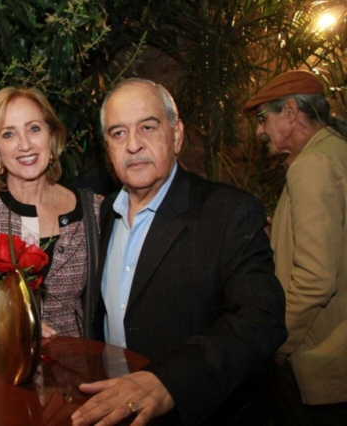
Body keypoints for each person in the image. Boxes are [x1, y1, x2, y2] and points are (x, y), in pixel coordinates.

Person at [71, 78, 287, 426]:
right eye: (118, 133)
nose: (133, 145)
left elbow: (261, 319)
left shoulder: (228, 212)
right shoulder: (103, 214)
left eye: (148, 127)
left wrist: (169, 381)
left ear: (176, 134)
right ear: (108, 146)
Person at [0, 87, 102, 338]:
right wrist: (2, 326)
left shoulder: (91, 210)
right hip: (0, 360)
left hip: (74, 358)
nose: (25, 144)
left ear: (51, 136)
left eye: (34, 129)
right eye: (8, 134)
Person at [243, 70, 347, 424]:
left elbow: (316, 280)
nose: (260, 131)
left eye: (262, 118)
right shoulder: (335, 151)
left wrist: (277, 342)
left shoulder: (312, 167)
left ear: (290, 111)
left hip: (323, 355)